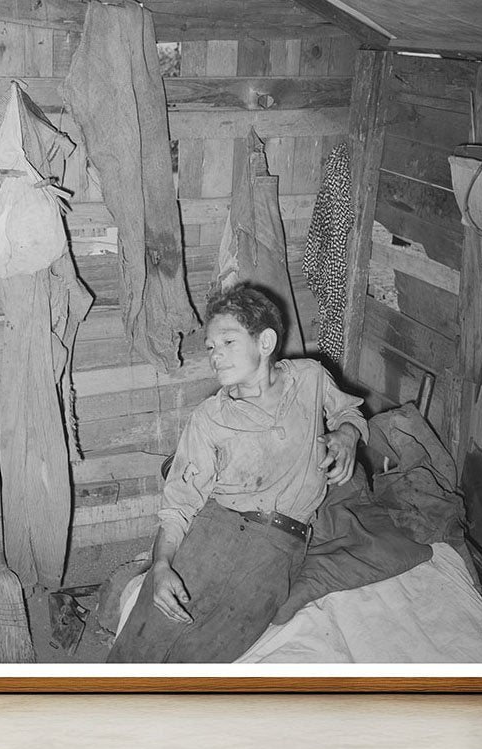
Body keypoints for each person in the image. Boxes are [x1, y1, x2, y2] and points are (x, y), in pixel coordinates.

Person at [106, 284, 368, 663]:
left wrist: (347, 434)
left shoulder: (310, 378)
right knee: (142, 642)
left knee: (204, 658)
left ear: (265, 342)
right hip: (215, 531)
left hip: (279, 548)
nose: (216, 355)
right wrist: (161, 566)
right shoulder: (209, 417)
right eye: (211, 347)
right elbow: (179, 504)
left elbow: (349, 411)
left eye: (228, 342)